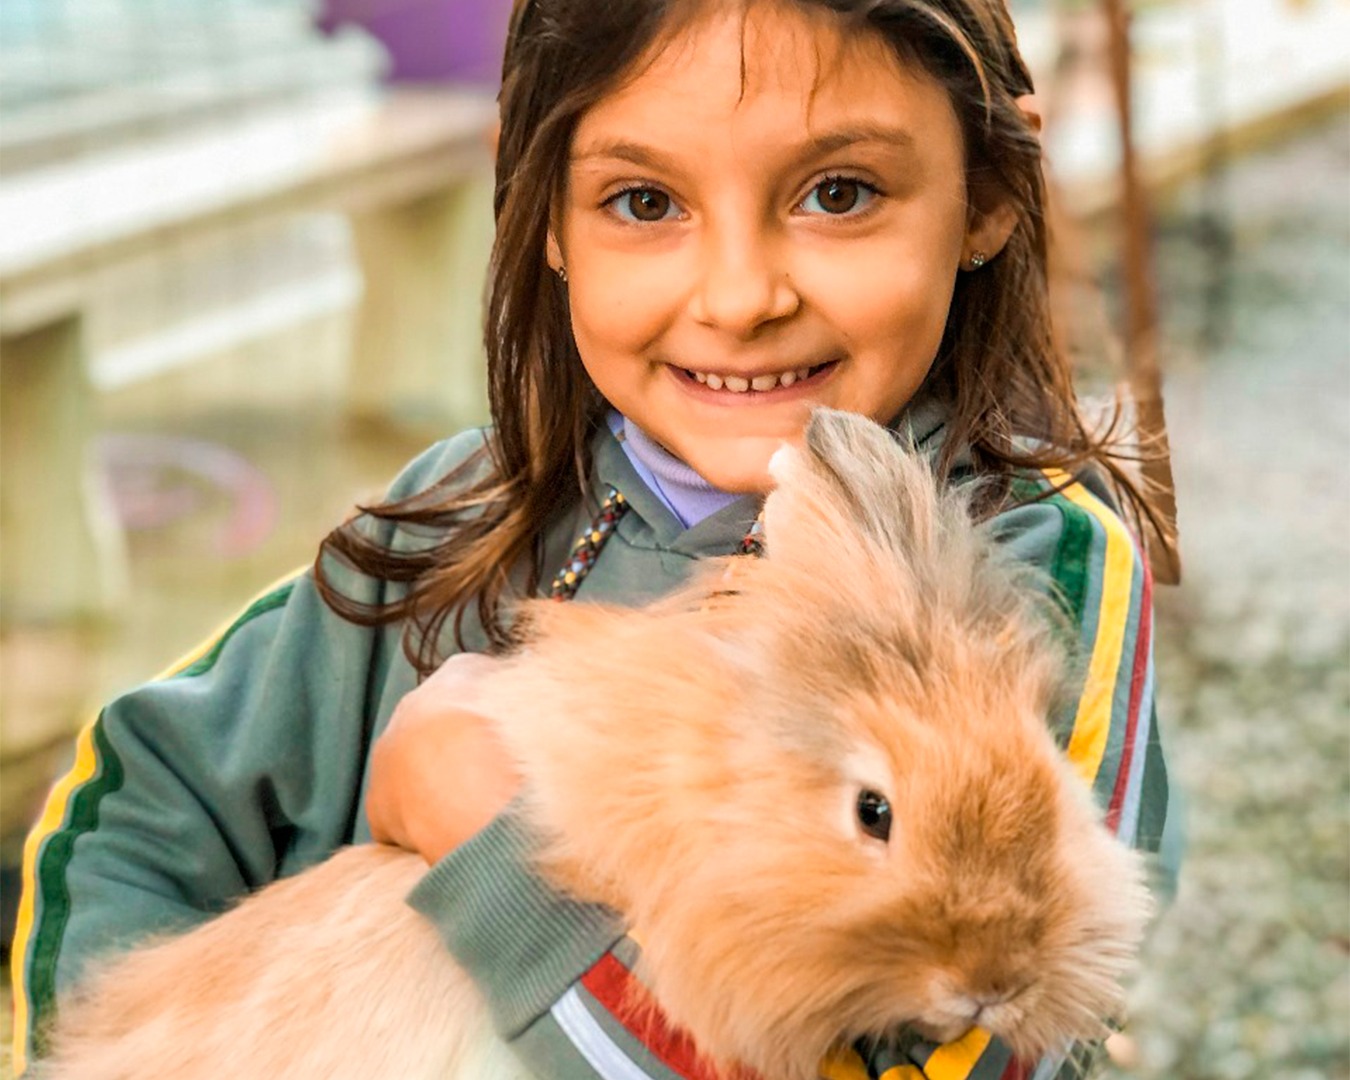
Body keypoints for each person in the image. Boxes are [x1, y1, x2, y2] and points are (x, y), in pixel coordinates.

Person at [11, 0, 1174, 1077]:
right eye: (645, 203)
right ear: (541, 204)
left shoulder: (1027, 575)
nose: (739, 296)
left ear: (989, 186)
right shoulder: (459, 512)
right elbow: (140, 804)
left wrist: (490, 848)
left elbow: (1006, 1032)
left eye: (839, 193)